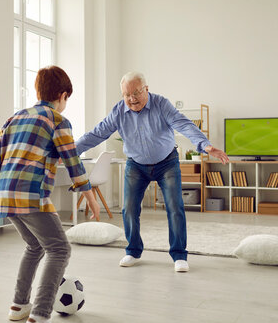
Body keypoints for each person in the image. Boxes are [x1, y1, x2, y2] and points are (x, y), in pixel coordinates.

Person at [0, 65, 100, 323]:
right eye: (66, 98)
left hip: (5, 193)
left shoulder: (15, 117)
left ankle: (19, 305)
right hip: (30, 193)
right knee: (59, 249)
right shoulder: (58, 120)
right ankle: (40, 318)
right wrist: (90, 195)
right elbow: (72, 160)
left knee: (34, 246)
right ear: (62, 95)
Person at [75, 71, 229, 272]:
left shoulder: (161, 104)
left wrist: (205, 146)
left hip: (167, 162)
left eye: (136, 93)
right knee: (129, 208)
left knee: (175, 207)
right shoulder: (118, 112)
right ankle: (133, 250)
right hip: (136, 165)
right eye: (126, 95)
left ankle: (179, 255)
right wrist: (69, 150)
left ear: (146, 89)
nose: (132, 99)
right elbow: (97, 134)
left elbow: (183, 124)